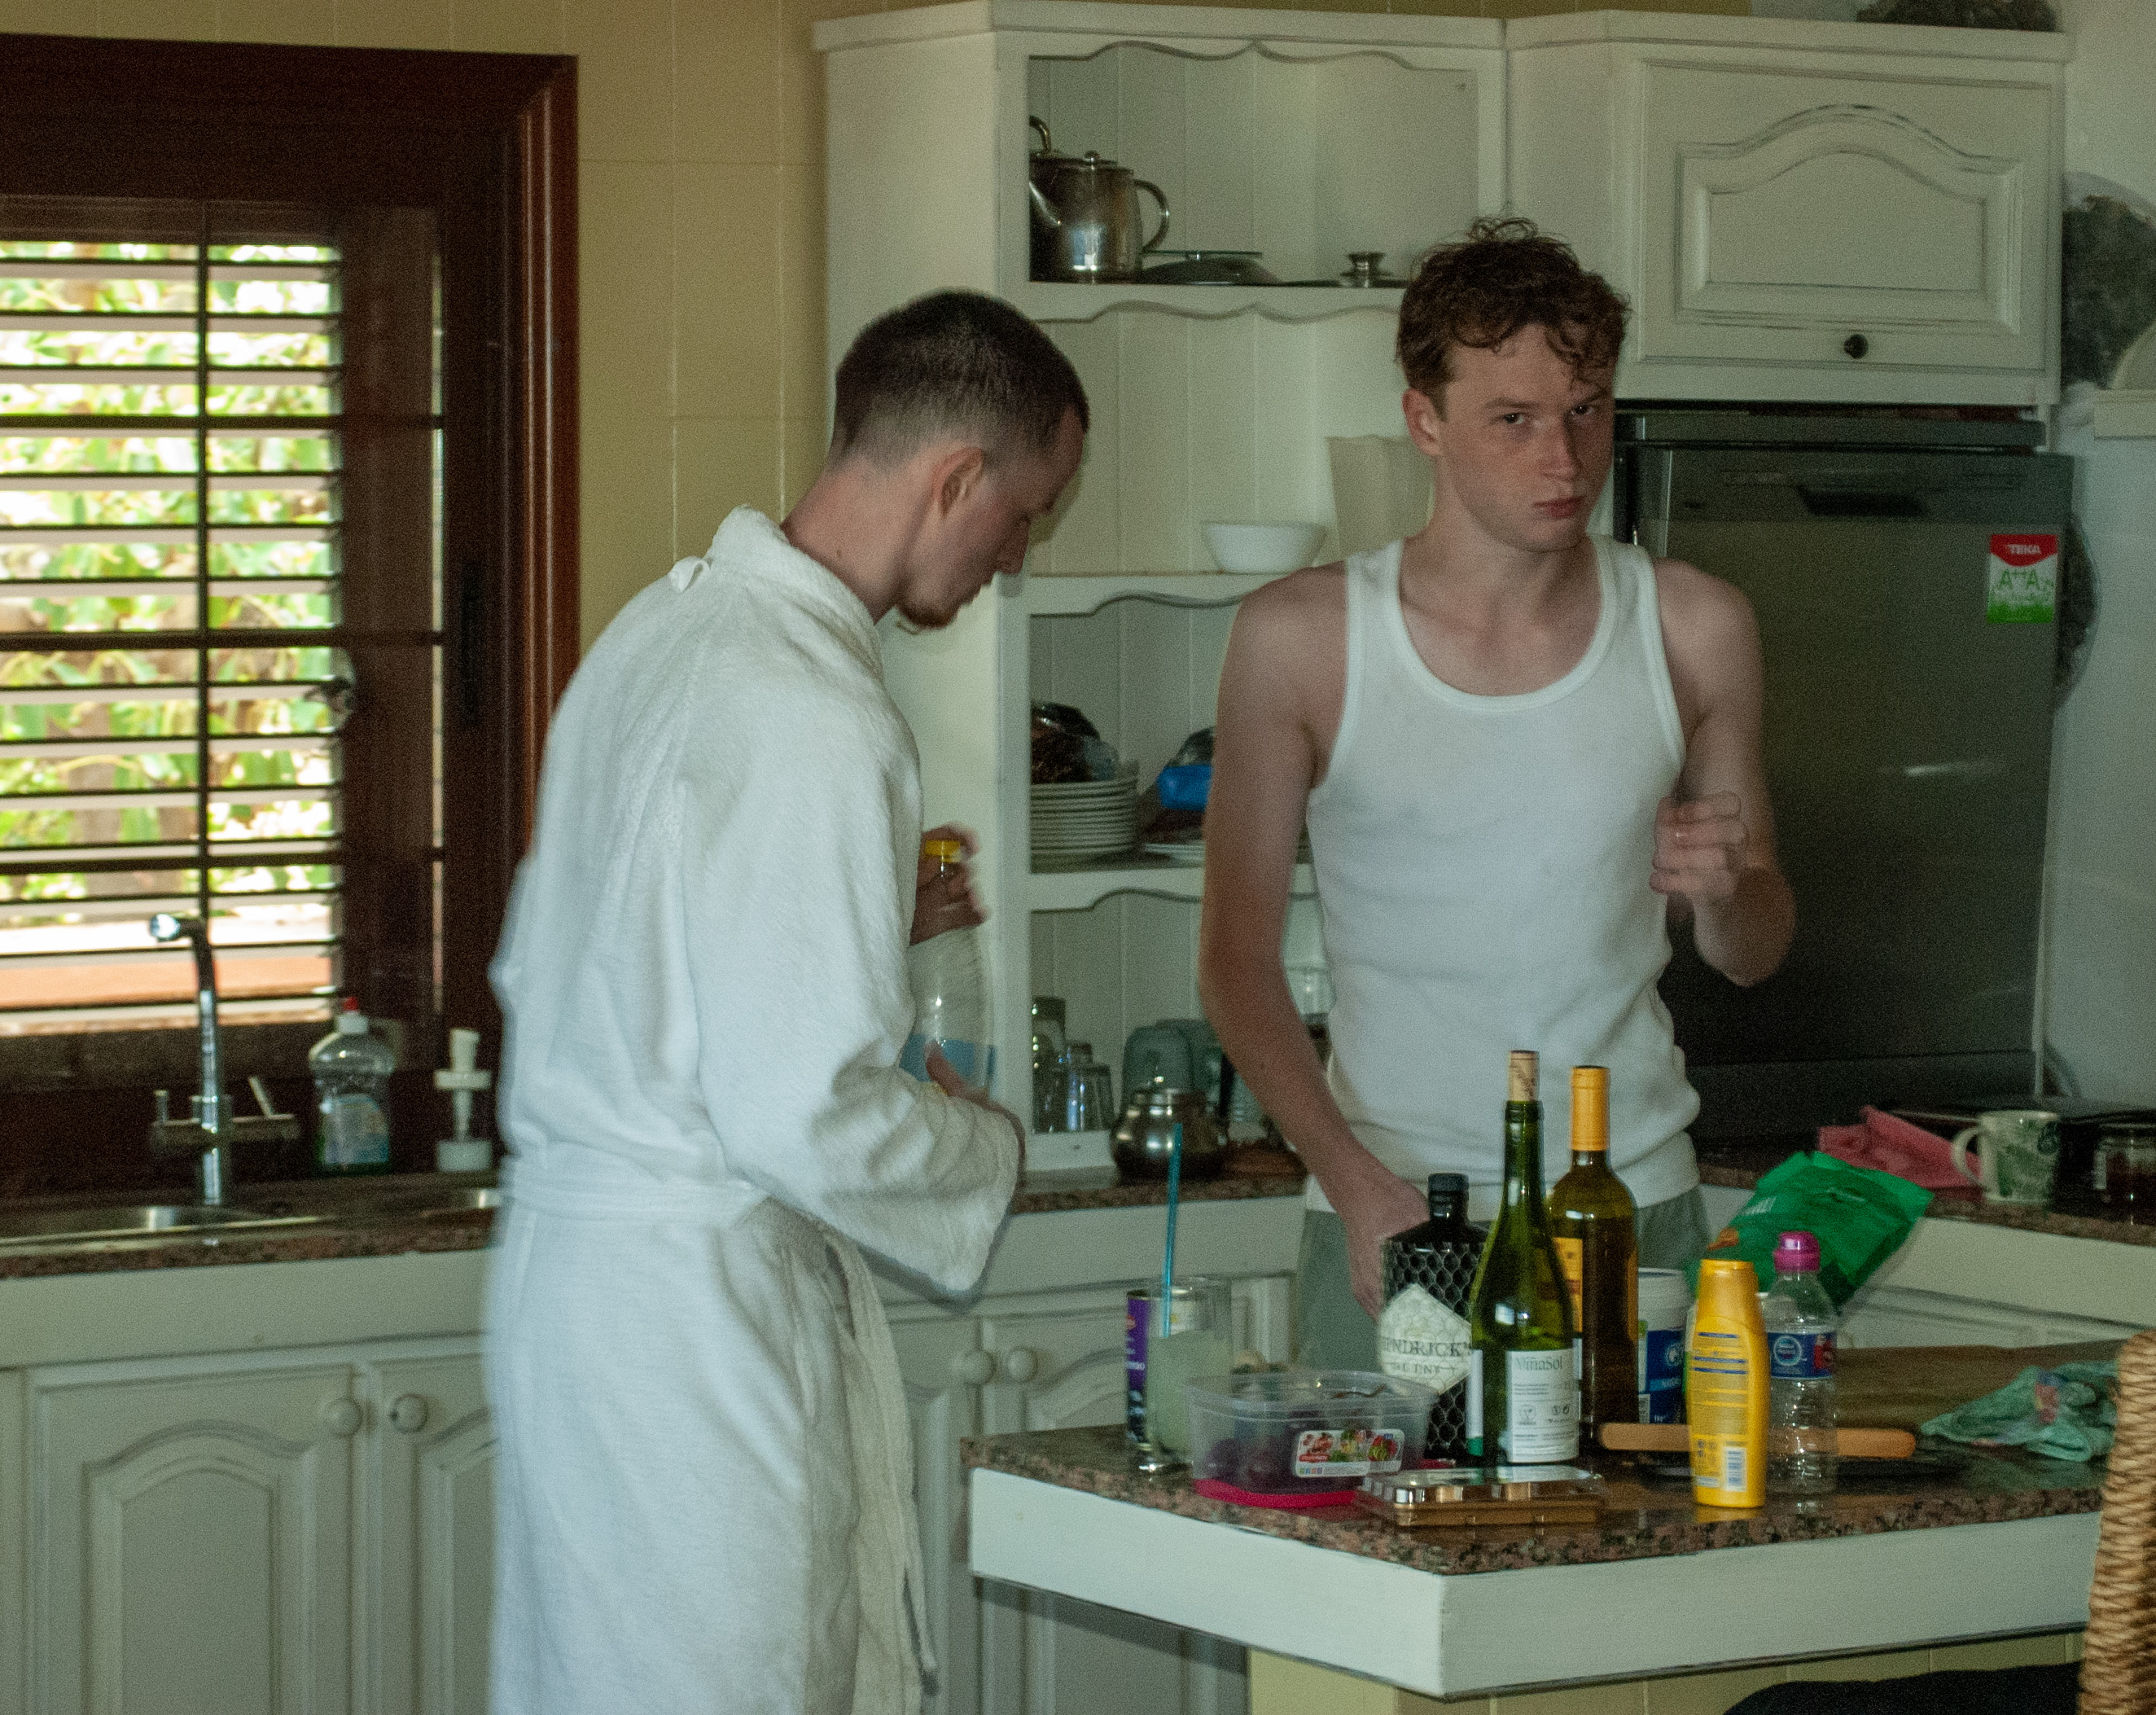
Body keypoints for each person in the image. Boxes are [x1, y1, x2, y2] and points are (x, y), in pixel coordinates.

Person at [484, 290, 1086, 1715]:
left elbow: (590, 948)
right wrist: (985, 1146)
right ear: (956, 478)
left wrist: (859, 929)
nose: (1014, 558)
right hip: (696, 1325)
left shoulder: (660, 631)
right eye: (1023, 517)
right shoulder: (819, 710)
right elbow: (798, 1115)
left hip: (580, 1294)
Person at [1197, 217, 1795, 1368]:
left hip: (1631, 1207)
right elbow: (1234, 962)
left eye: (1587, 410)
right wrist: (1353, 1183)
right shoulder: (1303, 638)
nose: (1563, 460)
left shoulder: (1694, 625)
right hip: (1394, 1209)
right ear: (1425, 421)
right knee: (1381, 1494)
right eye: (1512, 420)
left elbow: (1753, 950)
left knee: (1644, 1493)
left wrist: (1727, 892)